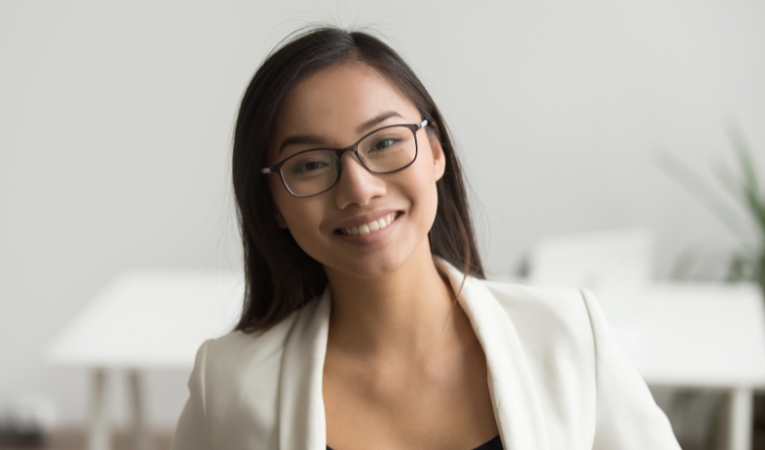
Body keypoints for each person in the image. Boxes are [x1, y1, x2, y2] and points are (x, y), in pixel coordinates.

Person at [171, 26, 681, 450]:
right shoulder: (230, 382)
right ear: (274, 206)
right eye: (309, 164)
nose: (359, 188)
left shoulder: (567, 336)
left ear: (435, 151)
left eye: (386, 141)